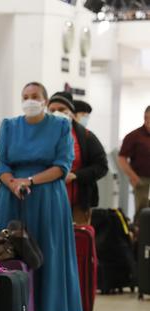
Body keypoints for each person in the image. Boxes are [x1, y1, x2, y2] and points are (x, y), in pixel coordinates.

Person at [0, 82, 83, 311]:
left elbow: (62, 165)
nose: (30, 100)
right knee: (7, 254)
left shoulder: (61, 126)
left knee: (45, 256)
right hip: (11, 195)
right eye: (25, 97)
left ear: (44, 99)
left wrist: (29, 181)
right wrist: (14, 183)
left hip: (47, 198)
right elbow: (3, 162)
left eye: (35, 97)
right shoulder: (9, 125)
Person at [47, 93, 108, 225]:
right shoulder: (40, 135)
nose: (56, 113)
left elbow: (102, 166)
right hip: (47, 202)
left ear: (71, 112)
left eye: (62, 109)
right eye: (52, 110)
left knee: (78, 241)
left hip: (78, 203)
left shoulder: (86, 136)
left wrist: (75, 175)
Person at [118, 105, 150, 223]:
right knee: (143, 211)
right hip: (142, 180)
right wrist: (133, 177)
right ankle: (140, 237)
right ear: (145, 118)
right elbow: (122, 158)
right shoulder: (134, 136)